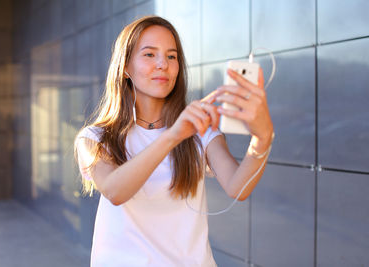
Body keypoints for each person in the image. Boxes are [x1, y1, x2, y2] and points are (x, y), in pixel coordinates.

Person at [75, 16, 274, 267]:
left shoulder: (199, 130)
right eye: (149, 55)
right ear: (125, 66)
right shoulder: (95, 138)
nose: (163, 64)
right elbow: (115, 190)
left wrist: (263, 136)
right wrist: (172, 136)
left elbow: (238, 188)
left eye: (171, 56)